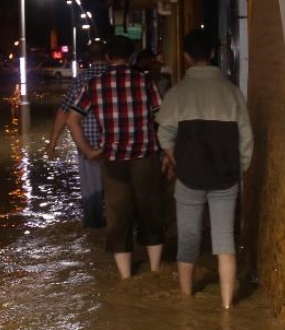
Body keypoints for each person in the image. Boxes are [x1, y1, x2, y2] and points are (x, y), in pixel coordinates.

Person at [156, 29, 254, 309]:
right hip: (226, 177)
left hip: (188, 178)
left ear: (186, 56)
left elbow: (164, 135)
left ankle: (186, 301)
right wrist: (240, 168)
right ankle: (226, 307)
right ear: (213, 54)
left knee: (188, 238)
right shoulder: (232, 92)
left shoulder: (178, 93)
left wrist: (176, 161)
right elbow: (246, 139)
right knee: (224, 241)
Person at [66, 35, 165, 279]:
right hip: (145, 156)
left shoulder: (94, 85)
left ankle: (126, 278)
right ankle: (154, 272)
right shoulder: (145, 81)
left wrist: (89, 150)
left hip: (113, 159)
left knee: (118, 216)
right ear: (132, 57)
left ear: (108, 57)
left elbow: (72, 119)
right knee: (149, 211)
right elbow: (162, 117)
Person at [45, 41, 108, 229]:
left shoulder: (81, 79)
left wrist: (52, 143)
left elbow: (64, 112)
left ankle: (93, 235)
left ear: (88, 59)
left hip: (88, 143)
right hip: (118, 142)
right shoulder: (118, 76)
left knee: (92, 195)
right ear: (107, 56)